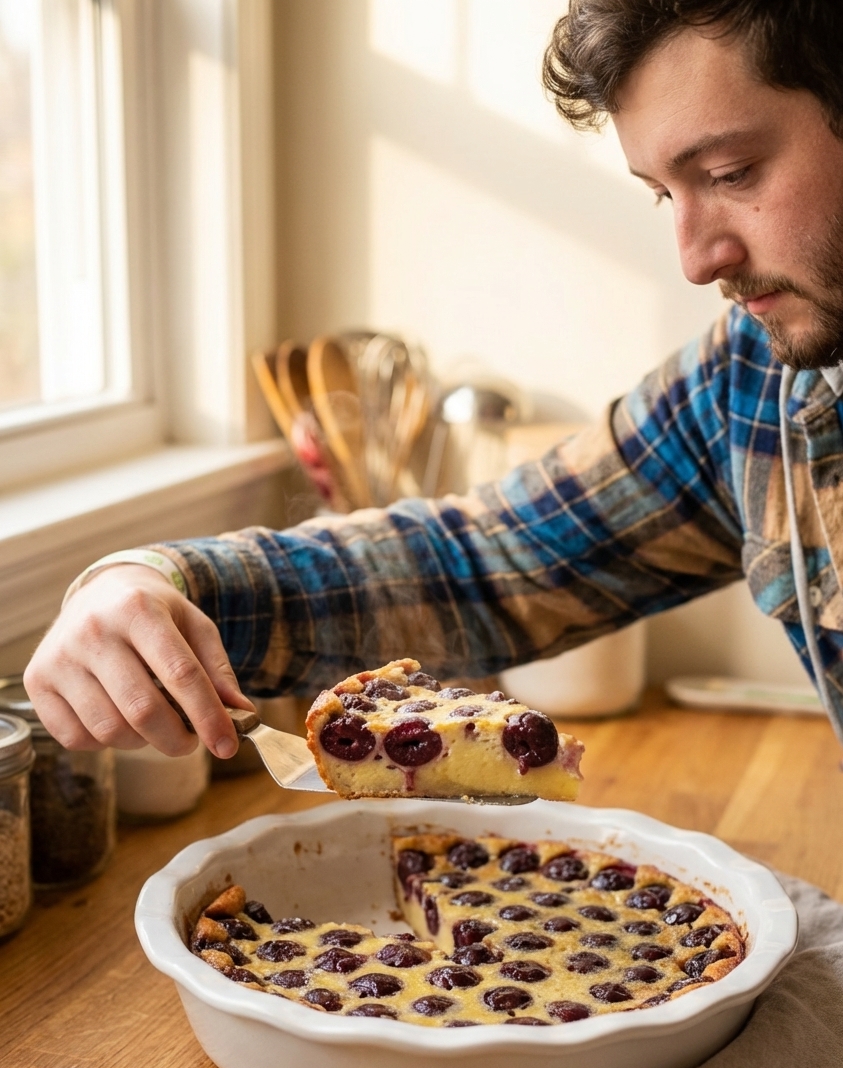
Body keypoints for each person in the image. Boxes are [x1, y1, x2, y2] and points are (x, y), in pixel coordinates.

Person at [23, 0, 843, 762]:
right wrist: (160, 584)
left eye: (732, 173)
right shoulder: (751, 383)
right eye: (664, 193)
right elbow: (487, 561)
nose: (696, 259)